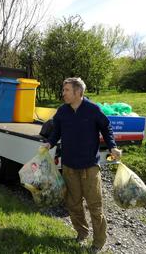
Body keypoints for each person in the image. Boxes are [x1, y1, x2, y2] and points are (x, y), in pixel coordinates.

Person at [43, 77, 121, 253]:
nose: (63, 93)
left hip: (89, 167)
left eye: (67, 90)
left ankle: (98, 242)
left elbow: (106, 128)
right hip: (69, 166)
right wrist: (50, 143)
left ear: (78, 92)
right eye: (63, 90)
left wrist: (113, 147)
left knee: (95, 206)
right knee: (73, 204)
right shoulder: (62, 111)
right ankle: (82, 232)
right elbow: (56, 131)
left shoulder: (93, 109)